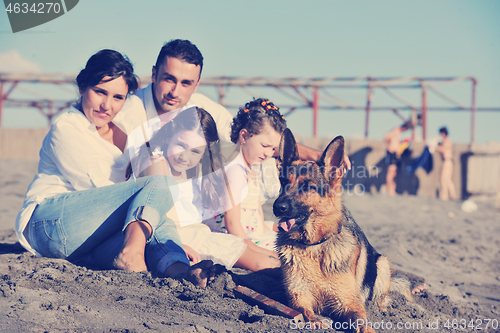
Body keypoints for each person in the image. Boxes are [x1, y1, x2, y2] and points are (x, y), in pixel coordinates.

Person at [15, 50, 214, 287]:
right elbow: (101, 187)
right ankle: (133, 252)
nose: (106, 105)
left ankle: (180, 272)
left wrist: (171, 237)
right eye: (100, 92)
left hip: (86, 242)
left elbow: (138, 205)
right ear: (82, 87)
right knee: (160, 186)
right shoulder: (66, 128)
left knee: (153, 225)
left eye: (118, 97)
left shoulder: (125, 130)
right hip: (49, 226)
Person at [115, 39, 341, 198]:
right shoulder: (129, 114)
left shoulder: (201, 107)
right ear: (154, 74)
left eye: (186, 83)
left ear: (197, 84)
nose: (175, 91)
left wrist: (314, 154)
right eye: (169, 79)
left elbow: (246, 135)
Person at [127, 106, 280, 271]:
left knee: (261, 251)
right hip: (177, 237)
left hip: (199, 234)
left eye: (194, 151)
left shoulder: (191, 171)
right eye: (180, 145)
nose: (184, 156)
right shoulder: (157, 163)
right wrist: (178, 245)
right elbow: (155, 214)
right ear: (169, 136)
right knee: (261, 262)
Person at [204, 98, 286, 250]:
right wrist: (253, 251)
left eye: (273, 149)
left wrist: (274, 231)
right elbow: (232, 223)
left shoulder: (251, 168)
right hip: (235, 239)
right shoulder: (235, 171)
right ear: (243, 136)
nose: (268, 153)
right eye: (265, 146)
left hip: (251, 235)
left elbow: (259, 221)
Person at [384, 123, 410, 196]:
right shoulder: (396, 130)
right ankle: (389, 190)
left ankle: (392, 190)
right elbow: (386, 137)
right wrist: (389, 147)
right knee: (391, 172)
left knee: (394, 172)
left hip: (396, 154)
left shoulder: (398, 132)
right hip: (392, 153)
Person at [435, 126, 457, 201]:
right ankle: (451, 195)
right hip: (447, 161)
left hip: (447, 161)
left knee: (444, 179)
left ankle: (445, 196)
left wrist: (434, 147)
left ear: (443, 133)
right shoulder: (446, 141)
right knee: (446, 179)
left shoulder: (447, 141)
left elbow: (442, 149)